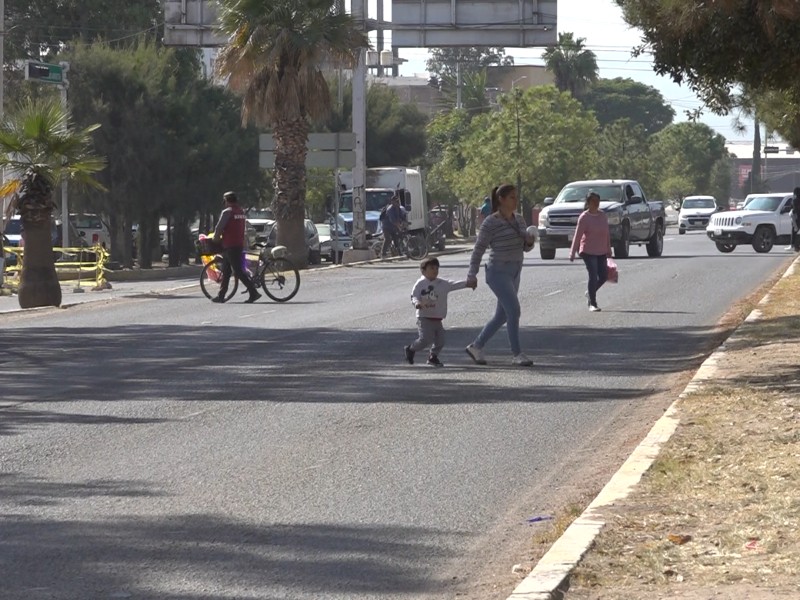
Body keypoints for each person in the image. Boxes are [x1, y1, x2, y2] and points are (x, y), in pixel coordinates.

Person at [464, 184, 536, 367]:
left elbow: (525, 248)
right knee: (514, 310)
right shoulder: (491, 222)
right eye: (512, 197)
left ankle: (476, 346)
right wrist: (472, 274)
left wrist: (529, 242)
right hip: (498, 272)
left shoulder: (519, 220)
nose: (516, 200)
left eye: (516, 196)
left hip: (515, 271)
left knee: (502, 316)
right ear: (501, 200)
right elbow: (479, 249)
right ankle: (517, 354)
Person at [405, 256, 476, 367]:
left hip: (437, 317)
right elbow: (414, 296)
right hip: (424, 317)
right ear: (423, 271)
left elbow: (455, 284)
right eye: (432, 268)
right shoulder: (420, 284)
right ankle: (411, 348)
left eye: (437, 268)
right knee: (425, 340)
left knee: (440, 341)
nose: (435, 271)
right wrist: (417, 303)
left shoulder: (442, 283)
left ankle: (433, 357)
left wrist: (468, 284)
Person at [211, 191, 261, 304]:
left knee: (238, 271)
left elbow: (219, 228)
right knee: (226, 271)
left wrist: (215, 239)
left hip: (230, 245)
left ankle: (253, 292)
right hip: (238, 244)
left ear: (226, 201)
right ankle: (221, 295)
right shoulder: (240, 212)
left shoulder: (227, 212)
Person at [569, 191, 613, 312]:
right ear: (588, 203)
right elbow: (577, 235)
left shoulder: (602, 215)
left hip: (601, 250)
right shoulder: (584, 217)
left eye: (598, 201)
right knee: (593, 275)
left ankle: (590, 292)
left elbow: (606, 233)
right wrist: (572, 252)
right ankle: (592, 303)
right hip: (588, 251)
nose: (596, 203)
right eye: (593, 201)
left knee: (603, 276)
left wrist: (608, 248)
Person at [380, 192, 407, 257]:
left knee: (396, 238)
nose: (397, 202)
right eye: (396, 201)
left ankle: (399, 252)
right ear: (392, 202)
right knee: (388, 239)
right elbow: (392, 220)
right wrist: (399, 226)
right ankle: (383, 254)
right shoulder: (390, 210)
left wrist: (405, 222)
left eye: (398, 201)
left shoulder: (398, 208)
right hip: (387, 227)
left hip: (393, 227)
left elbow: (401, 216)